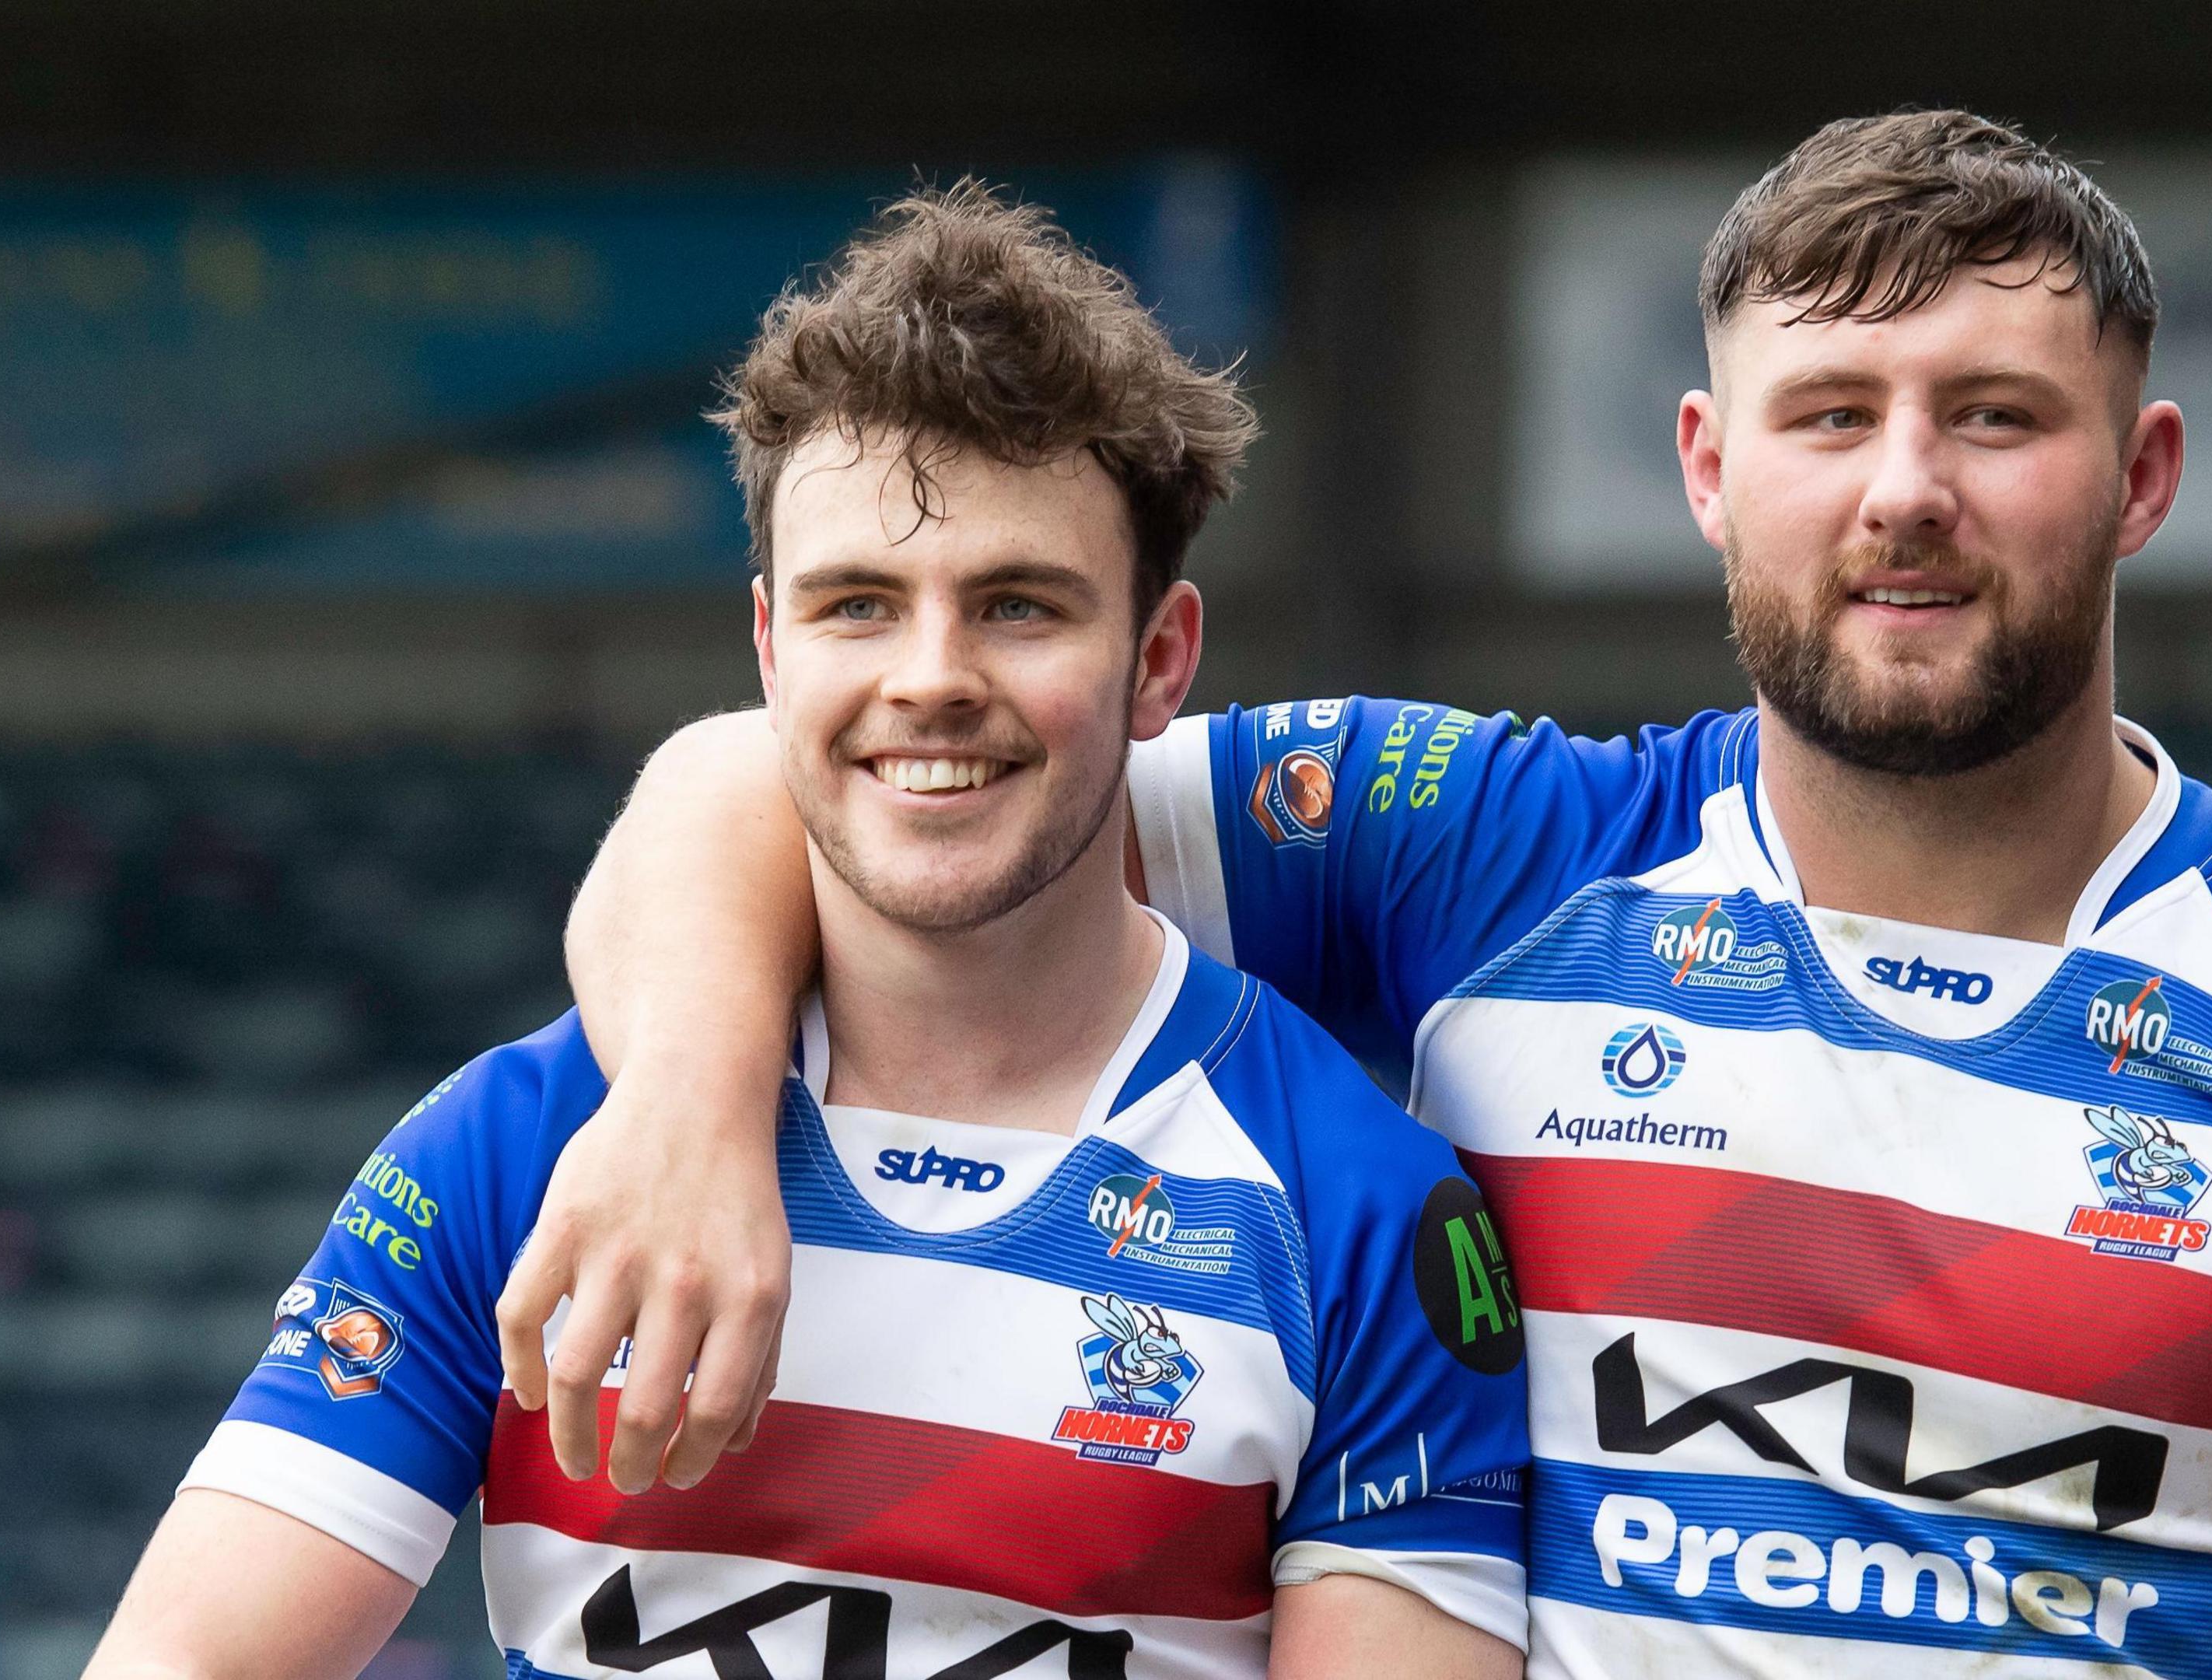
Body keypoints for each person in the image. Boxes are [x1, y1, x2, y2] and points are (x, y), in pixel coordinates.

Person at [520, 115, 2212, 1679]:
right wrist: (685, 1120)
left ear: (2143, 475)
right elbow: (794, 777)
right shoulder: (1473, 846)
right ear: (1710, 468)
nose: (1908, 488)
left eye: (1994, 415)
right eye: (1832, 416)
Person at [84, 184, 1533, 1680]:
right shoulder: (535, 1146)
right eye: (859, 605)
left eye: (1019, 607)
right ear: (772, 647)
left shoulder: (1364, 1219)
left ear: (1159, 660)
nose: (931, 679)